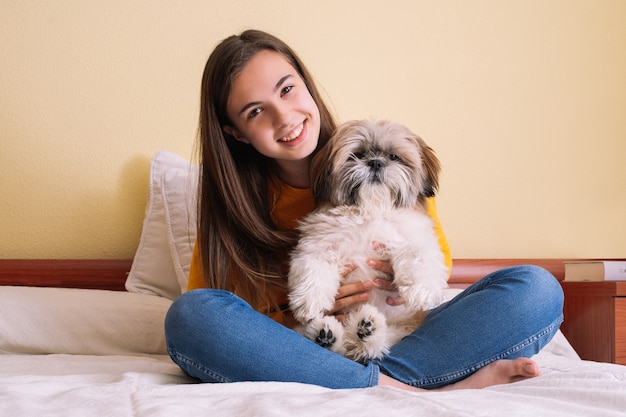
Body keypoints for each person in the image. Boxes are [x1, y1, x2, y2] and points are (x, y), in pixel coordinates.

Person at [164, 29, 564, 391]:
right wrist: (308, 313)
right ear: (235, 131)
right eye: (255, 111)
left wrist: (392, 280)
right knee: (190, 317)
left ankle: (373, 382)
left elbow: (427, 283)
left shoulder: (398, 177)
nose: (283, 117)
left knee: (537, 288)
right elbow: (215, 314)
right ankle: (410, 387)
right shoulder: (231, 210)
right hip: (304, 345)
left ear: (307, 84)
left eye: (287, 89)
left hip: (403, 333)